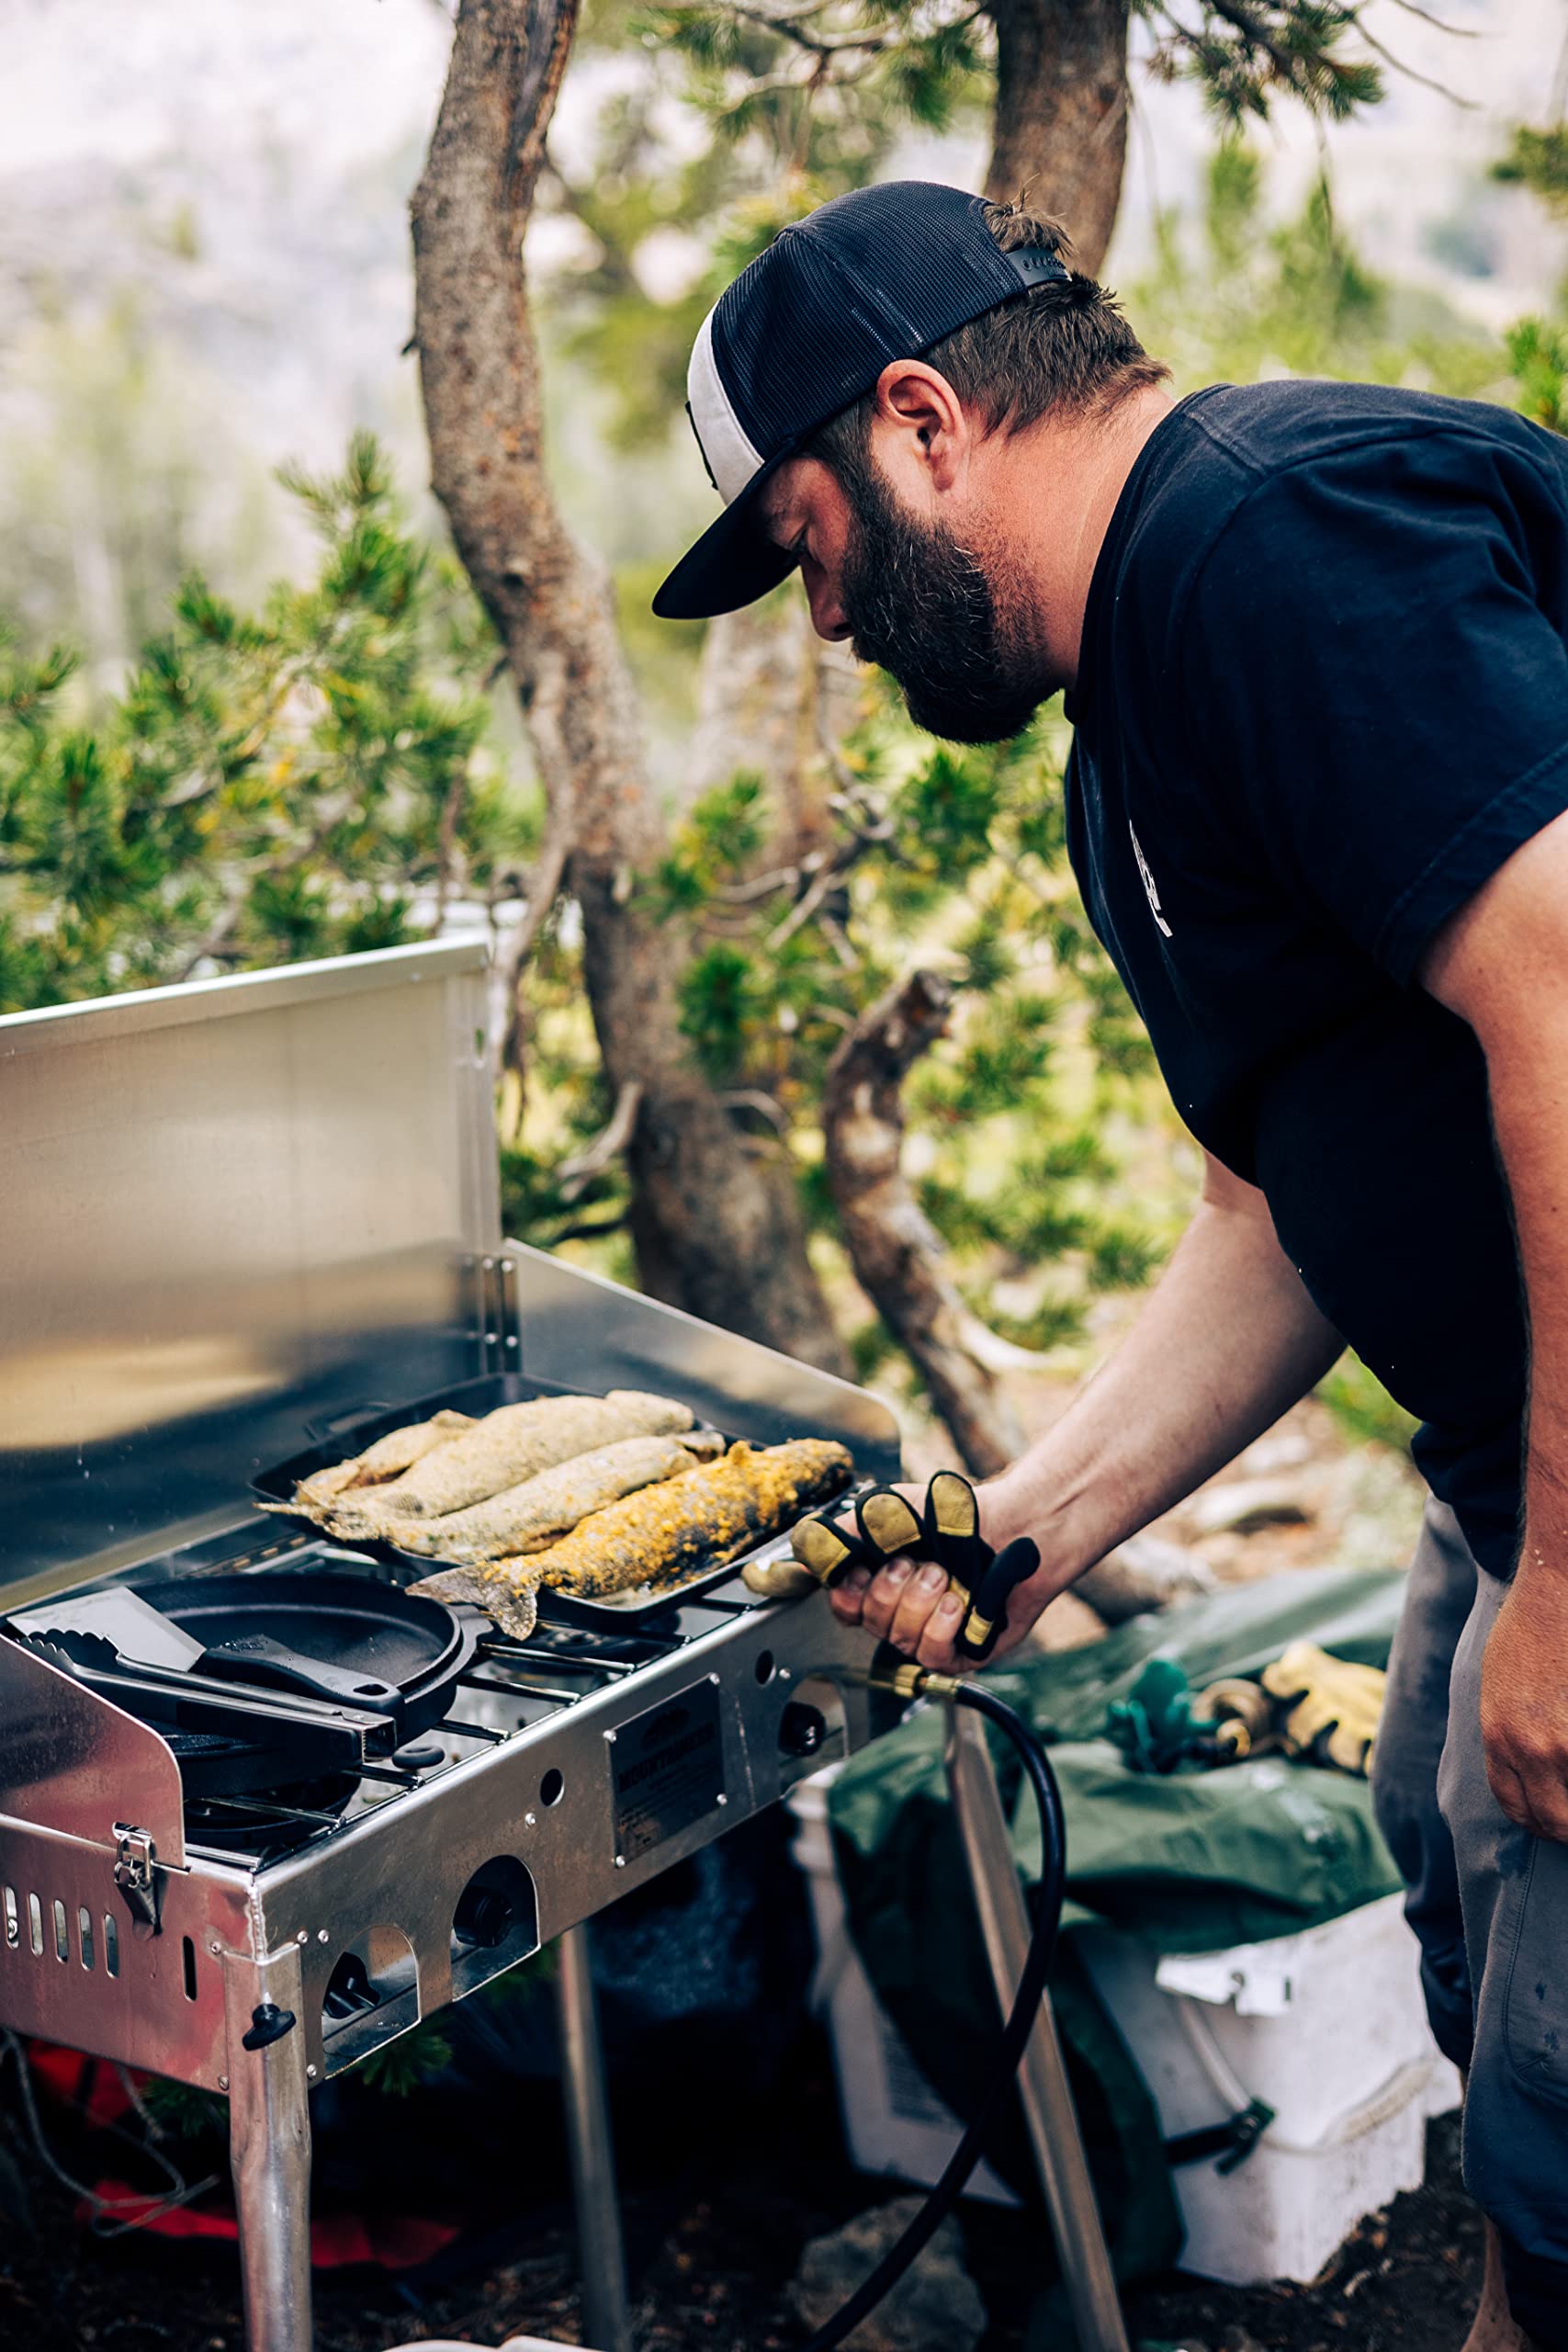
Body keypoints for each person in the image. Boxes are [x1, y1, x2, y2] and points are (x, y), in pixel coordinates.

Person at [654, 178, 1568, 2349]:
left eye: (808, 544)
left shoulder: (1268, 542)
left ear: (918, 422)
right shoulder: (1128, 721)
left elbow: (1563, 983)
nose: (825, 624)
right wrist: (1023, 1534)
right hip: (1495, 1437)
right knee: (1439, 1848)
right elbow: (1276, 1216)